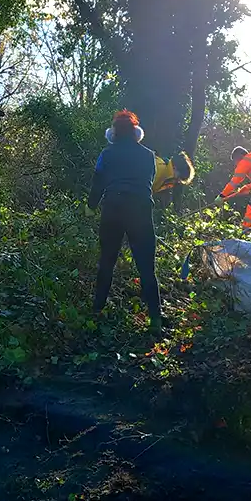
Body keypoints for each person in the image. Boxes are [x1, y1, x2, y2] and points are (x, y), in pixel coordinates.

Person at [88, 110, 163, 333]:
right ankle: (156, 319)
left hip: (112, 209)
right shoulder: (149, 155)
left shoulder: (106, 154)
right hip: (140, 210)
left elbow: (97, 183)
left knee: (106, 262)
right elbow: (148, 182)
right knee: (147, 267)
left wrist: (91, 206)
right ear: (136, 133)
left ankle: (96, 311)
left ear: (112, 134)